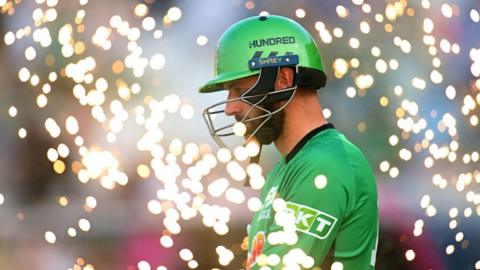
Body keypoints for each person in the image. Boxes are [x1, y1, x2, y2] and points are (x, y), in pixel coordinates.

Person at [199, 15, 378, 269]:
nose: (229, 108)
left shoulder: (324, 165)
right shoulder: (286, 168)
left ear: (283, 80)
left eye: (238, 90)